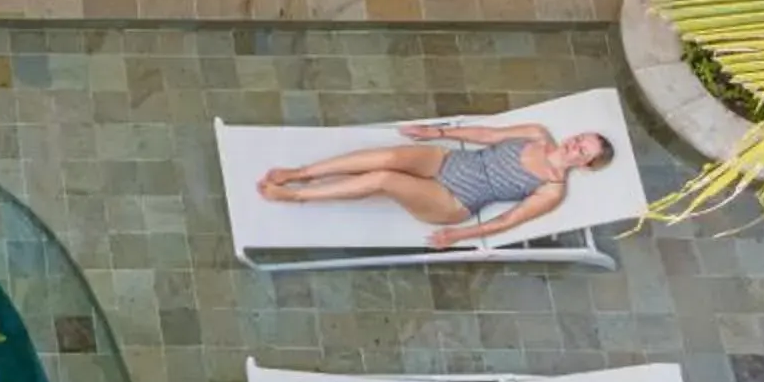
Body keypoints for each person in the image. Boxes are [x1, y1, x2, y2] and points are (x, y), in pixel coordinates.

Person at [256, 120, 616, 248]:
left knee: (385, 179)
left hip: (453, 199)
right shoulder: (537, 134)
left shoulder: (552, 189)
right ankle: (300, 172)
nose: (574, 144)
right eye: (579, 137)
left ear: (584, 165)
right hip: (450, 161)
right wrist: (435, 132)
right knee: (390, 158)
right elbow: (486, 135)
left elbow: (508, 221)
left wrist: (457, 237)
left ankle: (298, 197)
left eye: (582, 149)